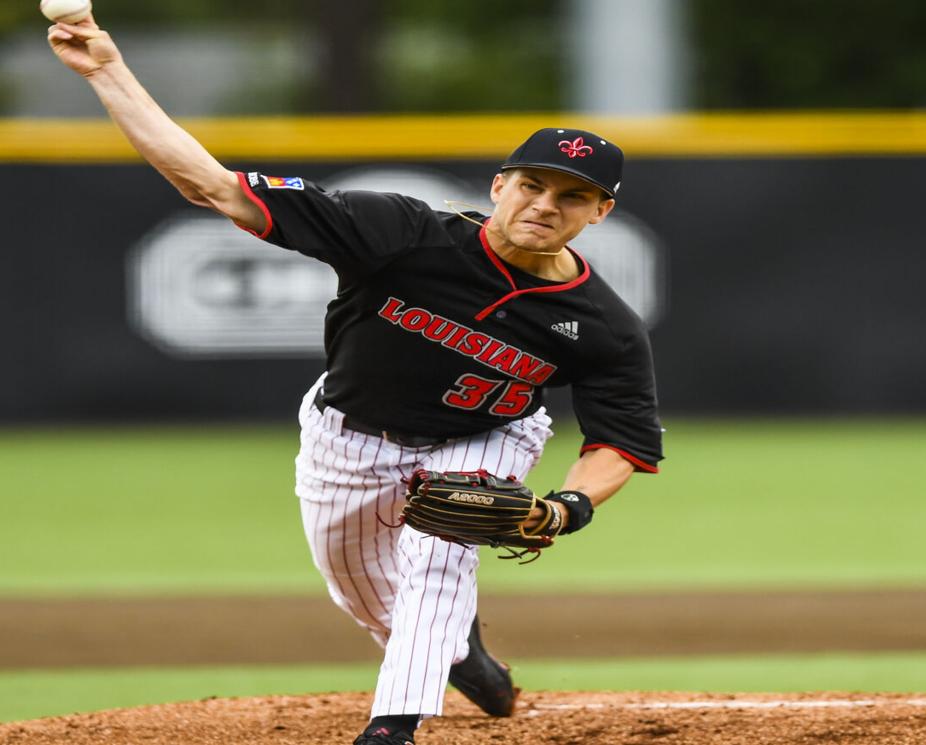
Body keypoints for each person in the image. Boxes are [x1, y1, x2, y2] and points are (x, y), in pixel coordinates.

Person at [48, 15, 663, 745]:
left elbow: (620, 441)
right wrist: (104, 72)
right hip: (349, 438)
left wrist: (566, 508)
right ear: (499, 184)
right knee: (370, 598)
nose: (543, 205)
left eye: (570, 196)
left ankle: (391, 728)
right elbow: (211, 187)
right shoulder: (400, 232)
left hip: (487, 433)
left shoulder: (604, 324)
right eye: (532, 184)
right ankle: (461, 652)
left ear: (600, 211)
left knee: (439, 553)